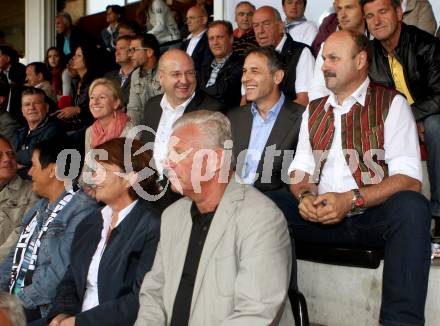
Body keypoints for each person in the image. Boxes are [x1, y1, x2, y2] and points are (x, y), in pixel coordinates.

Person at [269, 30, 431, 326]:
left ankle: (400, 323)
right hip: (317, 215)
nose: (324, 66)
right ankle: (276, 313)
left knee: (412, 206)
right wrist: (305, 196)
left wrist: (351, 199)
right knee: (265, 202)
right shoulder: (314, 110)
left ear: (360, 61)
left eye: (333, 58)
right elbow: (300, 172)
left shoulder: (391, 104)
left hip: (369, 218)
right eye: (323, 58)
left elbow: (409, 179)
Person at [135, 110, 294, 325]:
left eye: (178, 153)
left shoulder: (261, 218)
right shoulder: (172, 216)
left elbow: (256, 312)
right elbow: (154, 291)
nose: (167, 163)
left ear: (215, 159)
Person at [47, 138, 160, 326]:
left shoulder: (152, 227)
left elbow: (140, 300)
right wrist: (60, 314)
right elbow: (70, 280)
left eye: (102, 171)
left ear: (130, 179)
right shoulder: (90, 222)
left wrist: (79, 322)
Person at [0, 139, 100, 322]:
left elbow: (58, 274)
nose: (29, 172)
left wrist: (13, 305)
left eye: (35, 166)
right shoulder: (38, 208)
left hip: (43, 309)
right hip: (17, 302)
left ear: (53, 170)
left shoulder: (82, 210)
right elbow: (13, 258)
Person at [363, 0, 440, 234]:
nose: (376, 21)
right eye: (369, 16)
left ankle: (438, 210)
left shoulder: (426, 45)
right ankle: (373, 212)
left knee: (436, 126)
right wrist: (405, 121)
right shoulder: (368, 54)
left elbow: (439, 94)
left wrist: (412, 116)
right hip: (395, 119)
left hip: (428, 114)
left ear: (399, 13)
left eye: (383, 12)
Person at [229, 46, 304, 193]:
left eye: (254, 71)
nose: (245, 78)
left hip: (279, 205)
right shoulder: (234, 118)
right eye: (244, 71)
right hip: (233, 202)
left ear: (277, 77)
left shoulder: (302, 118)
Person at [140, 49, 223, 177]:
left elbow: (203, 169)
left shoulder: (211, 111)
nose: (184, 80)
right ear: (161, 78)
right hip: (148, 186)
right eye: (176, 74)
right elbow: (145, 154)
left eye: (189, 73)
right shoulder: (152, 106)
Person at [252, 6, 315, 107]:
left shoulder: (302, 53)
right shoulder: (253, 58)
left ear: (280, 26)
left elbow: (304, 100)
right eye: (256, 26)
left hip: (289, 120)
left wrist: (270, 117)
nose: (260, 31)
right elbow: (245, 100)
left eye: (266, 24)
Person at [309, 0, 367, 101]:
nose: (343, 15)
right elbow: (318, 89)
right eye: (339, 9)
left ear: (364, 12)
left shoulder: (377, 41)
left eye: (349, 8)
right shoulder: (327, 46)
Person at [0, 135, 37, 261]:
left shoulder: (33, 192)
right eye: (0, 155)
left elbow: (22, 236)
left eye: (11, 154)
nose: (6, 159)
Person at [13, 87, 64, 178]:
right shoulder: (19, 132)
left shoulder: (55, 128)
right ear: (22, 110)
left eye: (36, 103)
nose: (31, 107)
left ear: (46, 107)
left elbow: (38, 155)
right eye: (27, 104)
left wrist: (14, 161)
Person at [198, 20, 243, 108]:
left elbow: (222, 92)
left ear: (231, 39)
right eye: (211, 38)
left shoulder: (241, 64)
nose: (215, 42)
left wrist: (199, 90)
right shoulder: (204, 66)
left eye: (219, 37)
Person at [84, 78, 134, 157]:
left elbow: (130, 166)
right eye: (92, 97)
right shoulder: (90, 131)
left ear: (116, 103)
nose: (95, 102)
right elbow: (87, 166)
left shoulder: (129, 130)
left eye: (102, 97)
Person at [54, 45, 98, 130]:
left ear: (88, 59)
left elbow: (100, 109)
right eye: (74, 55)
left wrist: (78, 110)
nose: (73, 58)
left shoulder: (95, 82)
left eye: (78, 55)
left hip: (91, 127)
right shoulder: (76, 82)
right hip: (78, 125)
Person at [126, 33, 163, 125]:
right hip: (145, 127)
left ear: (149, 52)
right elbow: (134, 109)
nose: (130, 55)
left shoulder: (166, 70)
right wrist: (130, 135)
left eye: (134, 50)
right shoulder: (135, 74)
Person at [105, 35, 135, 108]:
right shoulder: (108, 77)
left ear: (132, 51)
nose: (116, 53)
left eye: (121, 48)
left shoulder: (140, 75)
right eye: (116, 49)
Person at [181, 6, 212, 74]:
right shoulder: (185, 42)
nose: (188, 22)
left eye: (192, 18)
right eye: (187, 18)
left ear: (204, 20)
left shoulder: (210, 40)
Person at [0, 45, 26, 124]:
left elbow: (14, 87)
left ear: (8, 58)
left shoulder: (19, 68)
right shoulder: (2, 73)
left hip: (21, 104)